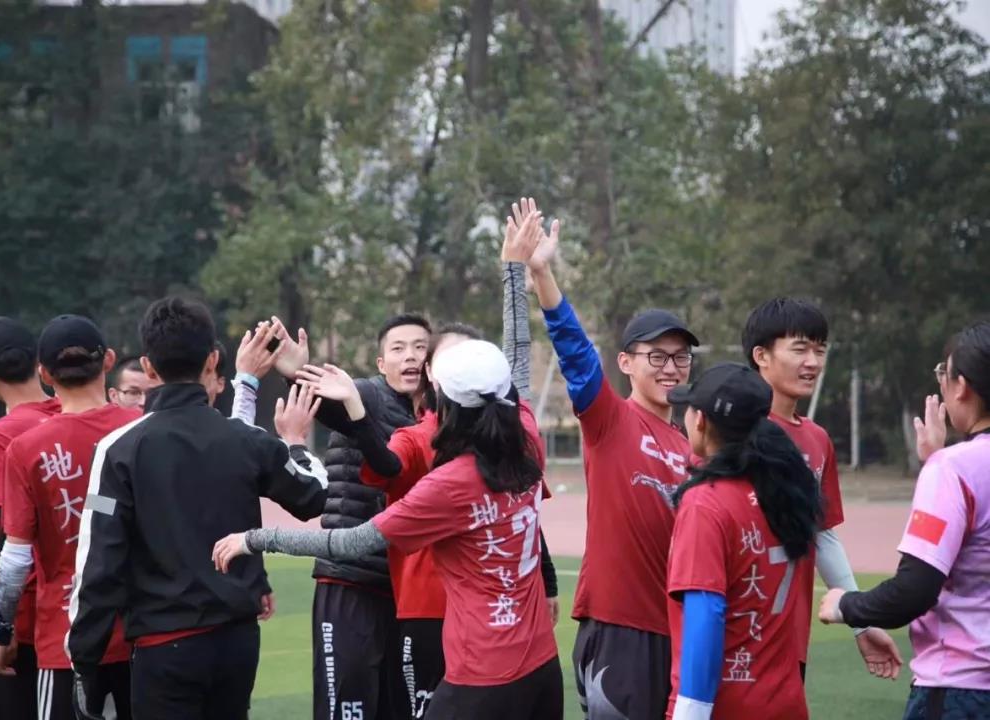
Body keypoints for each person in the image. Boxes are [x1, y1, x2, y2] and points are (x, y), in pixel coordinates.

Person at [293, 208, 559, 718]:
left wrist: (545, 577)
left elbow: (526, 522)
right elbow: (387, 466)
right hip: (429, 609)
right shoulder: (467, 436)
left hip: (481, 647)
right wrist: (515, 270)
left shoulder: (496, 448)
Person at [214, 339, 563, 720]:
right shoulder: (528, 441)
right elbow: (518, 363)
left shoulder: (451, 483)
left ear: (445, 402)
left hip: (482, 673)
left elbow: (351, 542)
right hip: (542, 665)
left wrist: (256, 539)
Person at [66, 297, 329, 720]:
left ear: (149, 368)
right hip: (236, 642)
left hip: (163, 645)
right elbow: (313, 494)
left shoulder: (117, 450)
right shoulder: (245, 440)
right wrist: (296, 443)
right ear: (212, 361)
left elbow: (98, 561)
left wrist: (84, 659)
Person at [528, 197, 696, 718]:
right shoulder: (610, 419)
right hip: (619, 629)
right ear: (625, 362)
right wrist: (543, 275)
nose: (671, 368)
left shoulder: (691, 446)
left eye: (681, 357)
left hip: (678, 629)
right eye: (657, 356)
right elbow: (576, 354)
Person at [819, 321, 990, 719]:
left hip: (962, 687)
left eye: (943, 374)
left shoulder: (954, 470)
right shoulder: (952, 467)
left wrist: (846, 605)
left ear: (961, 387)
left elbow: (914, 590)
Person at [267, 311, 432, 720]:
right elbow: (330, 406)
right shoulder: (367, 396)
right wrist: (295, 374)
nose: (410, 356)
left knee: (401, 708)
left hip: (407, 591)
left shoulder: (438, 417)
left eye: (419, 347)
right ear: (381, 363)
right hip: (351, 580)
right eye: (398, 348)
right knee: (349, 706)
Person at [0, 316, 136, 720]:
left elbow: (15, 557)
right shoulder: (141, 430)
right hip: (141, 629)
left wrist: (2, 629)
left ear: (45, 373)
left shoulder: (25, 449)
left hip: (65, 634)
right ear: (108, 360)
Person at [742, 298, 901, 680]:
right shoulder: (731, 432)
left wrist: (862, 624)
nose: (812, 361)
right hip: (734, 633)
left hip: (789, 638)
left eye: (820, 349)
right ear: (761, 356)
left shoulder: (817, 440)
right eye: (800, 349)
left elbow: (822, 533)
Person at [666, 363, 822, 720]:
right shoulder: (784, 491)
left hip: (727, 706)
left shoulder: (705, 503)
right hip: (785, 701)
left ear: (700, 421)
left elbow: (706, 617)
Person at [0, 316, 62, 720]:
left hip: (35, 617)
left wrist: (2, 627)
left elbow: (15, 536)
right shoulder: (76, 413)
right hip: (102, 606)